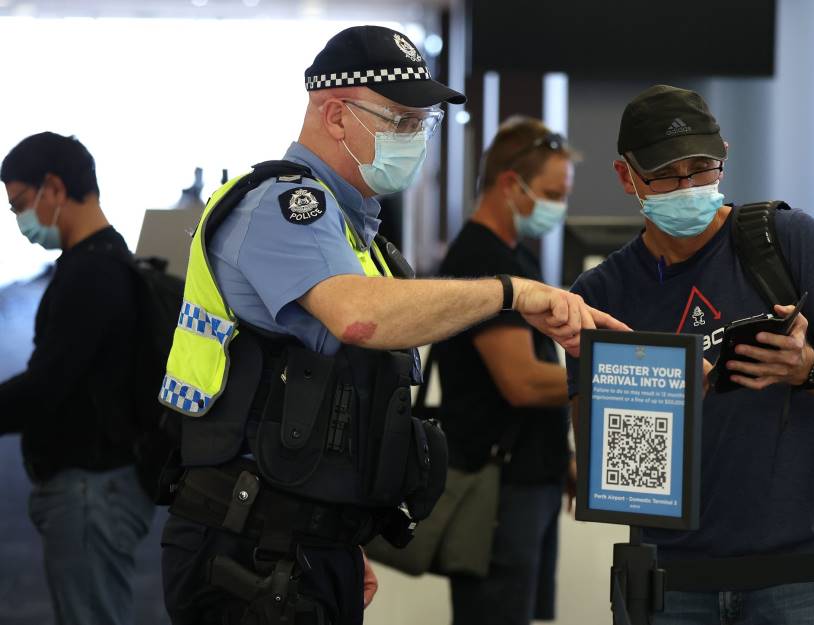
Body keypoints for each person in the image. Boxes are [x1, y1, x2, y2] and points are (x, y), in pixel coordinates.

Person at [158, 26, 625, 625]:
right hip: (245, 541)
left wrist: (341, 531)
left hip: (302, 537)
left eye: (421, 124)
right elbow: (358, 319)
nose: (414, 139)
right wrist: (510, 293)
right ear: (334, 115)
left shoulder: (357, 235)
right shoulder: (282, 208)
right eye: (399, 120)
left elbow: (335, 394)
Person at [564, 84, 814, 624]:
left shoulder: (787, 241)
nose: (688, 186)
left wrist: (808, 367)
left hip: (802, 573)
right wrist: (658, 405)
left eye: (702, 168)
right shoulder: (602, 294)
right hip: (671, 577)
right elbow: (603, 470)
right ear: (627, 176)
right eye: (667, 174)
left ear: (725, 159)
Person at [0, 132, 156, 625]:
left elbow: (46, 387)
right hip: (99, 487)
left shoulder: (93, 274)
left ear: (54, 187)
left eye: (20, 204)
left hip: (92, 493)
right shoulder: (104, 262)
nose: (20, 221)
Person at [433, 117, 578, 625]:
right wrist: (611, 380)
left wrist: (561, 456)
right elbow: (521, 381)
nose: (558, 207)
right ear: (511, 184)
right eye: (551, 193)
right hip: (498, 492)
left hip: (528, 480)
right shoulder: (480, 260)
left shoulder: (517, 257)